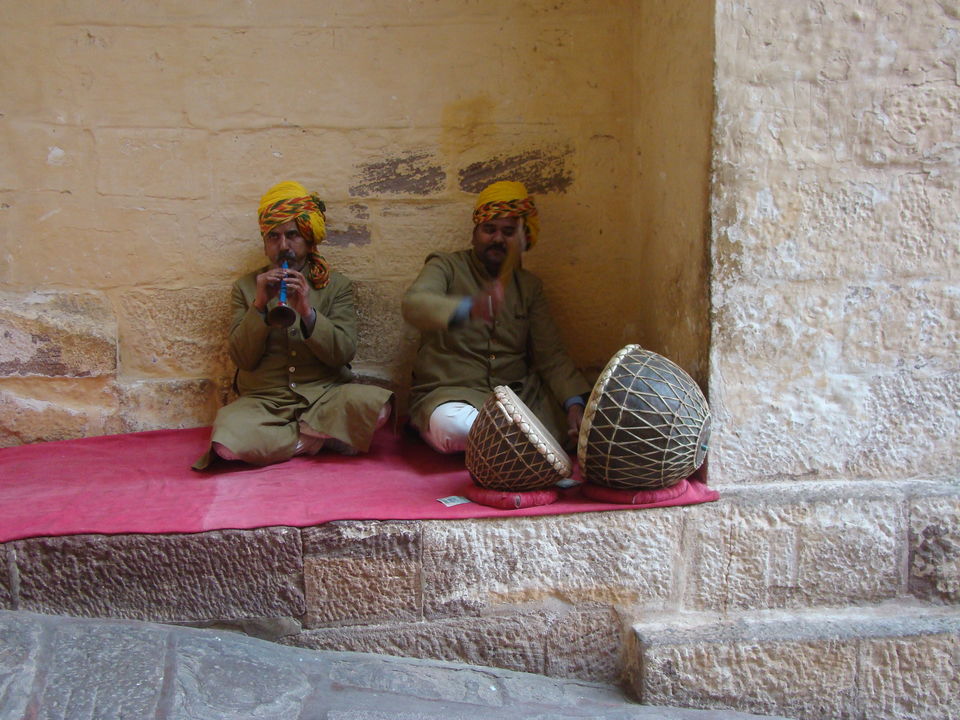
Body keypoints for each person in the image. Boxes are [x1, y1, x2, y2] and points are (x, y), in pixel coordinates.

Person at [193, 181, 392, 469]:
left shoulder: (337, 286)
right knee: (225, 445)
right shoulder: (247, 287)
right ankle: (317, 438)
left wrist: (308, 311)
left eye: (292, 235)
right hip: (265, 401)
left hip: (325, 395)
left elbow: (343, 354)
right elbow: (242, 359)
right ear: (265, 243)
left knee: (378, 407)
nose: (283, 246)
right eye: (273, 237)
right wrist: (260, 305)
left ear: (310, 240)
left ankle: (288, 440)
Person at [401, 180, 591, 454]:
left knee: (588, 422)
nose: (498, 239)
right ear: (475, 232)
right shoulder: (446, 266)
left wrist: (575, 405)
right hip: (455, 395)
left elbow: (552, 357)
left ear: (522, 238)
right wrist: (468, 308)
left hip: (518, 399)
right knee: (455, 427)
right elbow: (414, 305)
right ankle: (518, 442)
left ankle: (506, 441)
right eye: (489, 229)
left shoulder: (529, 287)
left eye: (508, 231)